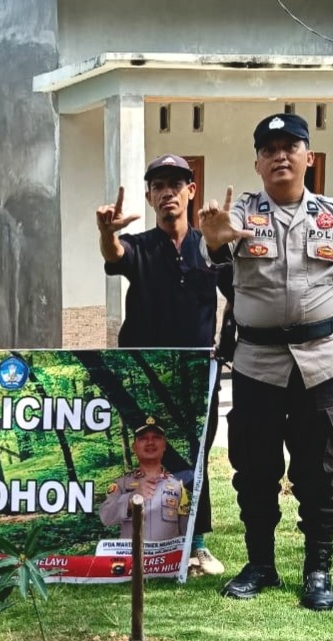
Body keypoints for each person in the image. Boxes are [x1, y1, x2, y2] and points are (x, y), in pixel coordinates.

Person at [199, 113, 333, 611]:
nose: (280, 156)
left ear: (308, 156)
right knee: (254, 469)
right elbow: (216, 252)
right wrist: (213, 239)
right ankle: (260, 565)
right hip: (257, 365)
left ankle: (317, 570)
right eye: (269, 149)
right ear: (257, 163)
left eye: (290, 146)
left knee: (320, 473)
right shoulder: (240, 213)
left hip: (321, 365)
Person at [96, 153, 229, 575]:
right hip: (147, 376)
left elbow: (239, 288)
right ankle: (142, 540)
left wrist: (221, 243)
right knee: (149, 454)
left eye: (176, 184)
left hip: (198, 377)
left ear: (191, 190)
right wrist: (106, 233)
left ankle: (196, 542)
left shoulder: (209, 246)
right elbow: (116, 254)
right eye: (158, 186)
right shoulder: (141, 246)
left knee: (195, 457)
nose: (168, 192)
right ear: (150, 196)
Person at [99, 417, 190, 542]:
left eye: (156, 437)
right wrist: (131, 498)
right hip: (131, 554)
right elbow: (106, 517)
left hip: (168, 555)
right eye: (143, 438)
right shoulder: (121, 484)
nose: (150, 442)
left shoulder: (178, 486)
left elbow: (187, 532)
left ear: (164, 445)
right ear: (134, 447)